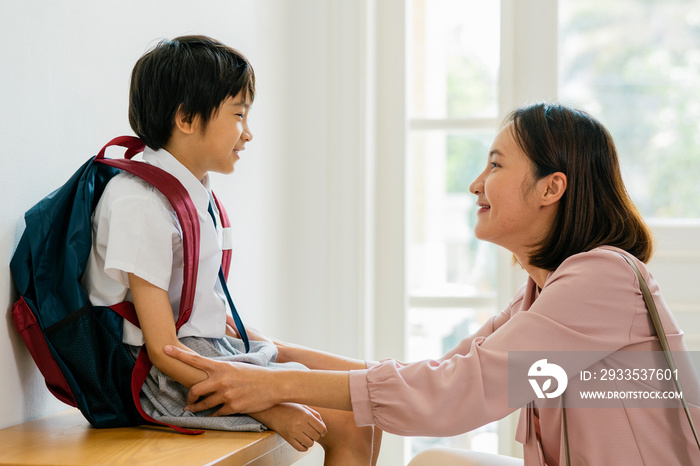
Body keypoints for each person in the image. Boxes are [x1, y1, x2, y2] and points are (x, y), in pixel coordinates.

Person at [164, 102, 700, 465]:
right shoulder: (548, 292)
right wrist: (271, 353)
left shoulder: (602, 280)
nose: (475, 184)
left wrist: (276, 384)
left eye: (494, 164)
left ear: (551, 187)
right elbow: (446, 374)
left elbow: (457, 394)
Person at [81, 35, 380, 465]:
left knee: (367, 402)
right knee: (355, 420)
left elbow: (205, 317)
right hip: (164, 379)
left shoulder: (190, 193)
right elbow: (164, 350)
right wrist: (273, 409)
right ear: (186, 117)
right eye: (239, 115)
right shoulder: (139, 202)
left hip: (206, 357)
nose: (249, 133)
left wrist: (312, 361)